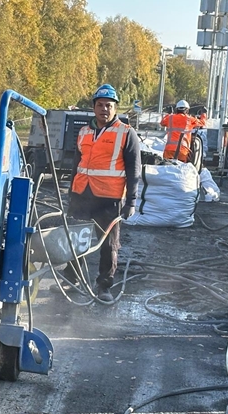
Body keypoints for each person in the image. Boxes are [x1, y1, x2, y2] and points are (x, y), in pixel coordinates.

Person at [64, 84, 141, 302]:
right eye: (100, 105)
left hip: (109, 198)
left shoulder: (126, 133)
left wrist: (131, 201)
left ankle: (104, 286)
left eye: (108, 105)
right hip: (82, 194)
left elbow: (134, 169)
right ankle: (72, 278)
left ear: (115, 108)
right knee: (75, 238)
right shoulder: (84, 131)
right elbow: (76, 164)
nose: (104, 109)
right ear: (94, 107)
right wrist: (71, 190)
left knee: (108, 245)